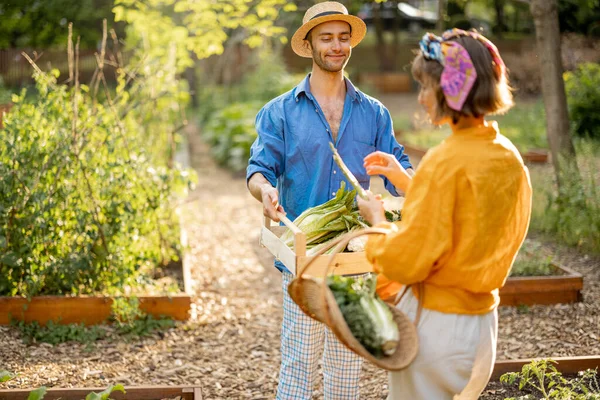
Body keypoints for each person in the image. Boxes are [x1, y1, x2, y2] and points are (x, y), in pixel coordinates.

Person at [246, 2, 414, 398]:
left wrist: (401, 180)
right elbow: (258, 170)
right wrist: (265, 192)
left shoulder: (374, 112)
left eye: (343, 38)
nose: (336, 46)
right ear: (309, 44)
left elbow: (401, 175)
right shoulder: (280, 113)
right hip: (305, 255)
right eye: (327, 38)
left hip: (356, 253)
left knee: (346, 363)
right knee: (300, 361)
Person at [356, 29, 533, 400]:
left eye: (425, 86)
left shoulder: (445, 161)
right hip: (482, 328)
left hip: (436, 328)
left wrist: (377, 225)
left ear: (452, 88)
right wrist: (405, 179)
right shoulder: (508, 155)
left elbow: (406, 261)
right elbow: (467, 210)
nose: (420, 97)